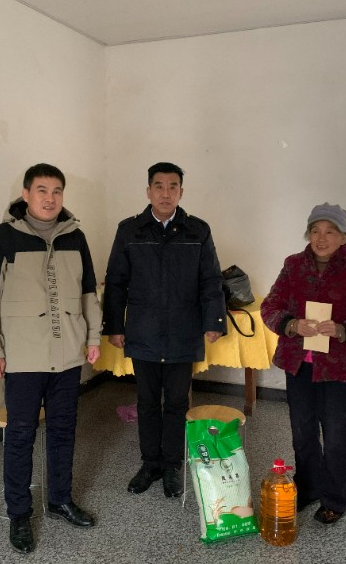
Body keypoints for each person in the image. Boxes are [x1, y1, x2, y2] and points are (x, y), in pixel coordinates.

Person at [0, 164, 101, 555]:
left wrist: (93, 337)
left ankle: (60, 499)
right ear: (26, 194)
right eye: (42, 190)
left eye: (57, 191)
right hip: (23, 358)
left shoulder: (75, 237)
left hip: (67, 356)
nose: (50, 198)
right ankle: (19, 513)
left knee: (64, 430)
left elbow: (88, 292)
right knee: (21, 435)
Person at [102, 162, 226, 498]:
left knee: (175, 401)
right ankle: (149, 463)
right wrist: (114, 326)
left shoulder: (197, 231)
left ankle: (171, 464)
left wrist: (214, 321)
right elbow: (116, 281)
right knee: (145, 401)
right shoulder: (129, 230)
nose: (166, 193)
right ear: (148, 191)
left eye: (173, 187)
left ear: (181, 192)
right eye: (159, 186)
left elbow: (211, 279)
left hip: (183, 330)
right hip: (143, 329)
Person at [260, 203, 346, 524]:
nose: (321, 238)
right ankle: (309, 487)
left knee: (337, 435)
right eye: (315, 230)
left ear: (343, 236)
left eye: (330, 231)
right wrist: (291, 324)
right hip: (299, 365)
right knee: (302, 432)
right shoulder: (293, 265)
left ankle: (335, 498)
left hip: (341, 369)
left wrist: (345, 330)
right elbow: (270, 306)